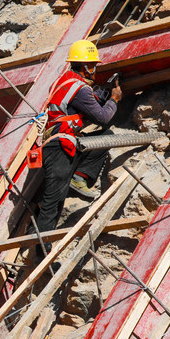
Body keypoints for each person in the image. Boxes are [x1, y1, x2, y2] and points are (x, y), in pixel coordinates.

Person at [34, 39, 123, 250]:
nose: (95, 69)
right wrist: (114, 100)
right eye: (93, 65)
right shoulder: (80, 89)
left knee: (105, 138)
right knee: (53, 202)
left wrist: (96, 98)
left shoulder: (64, 81)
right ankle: (41, 250)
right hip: (60, 147)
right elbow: (102, 117)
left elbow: (74, 109)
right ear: (85, 66)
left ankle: (79, 177)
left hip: (59, 144)